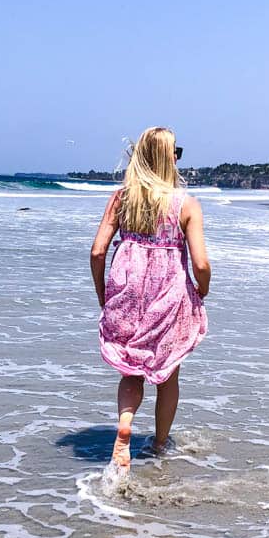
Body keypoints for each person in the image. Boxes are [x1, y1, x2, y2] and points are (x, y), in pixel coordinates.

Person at [90, 127, 210, 476]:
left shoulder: (122, 199)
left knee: (131, 370)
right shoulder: (185, 204)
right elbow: (201, 263)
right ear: (166, 158)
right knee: (168, 374)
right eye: (177, 151)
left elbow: (98, 251)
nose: (178, 158)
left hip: (126, 293)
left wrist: (104, 294)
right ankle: (159, 444)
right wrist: (202, 290)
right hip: (168, 297)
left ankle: (125, 425)